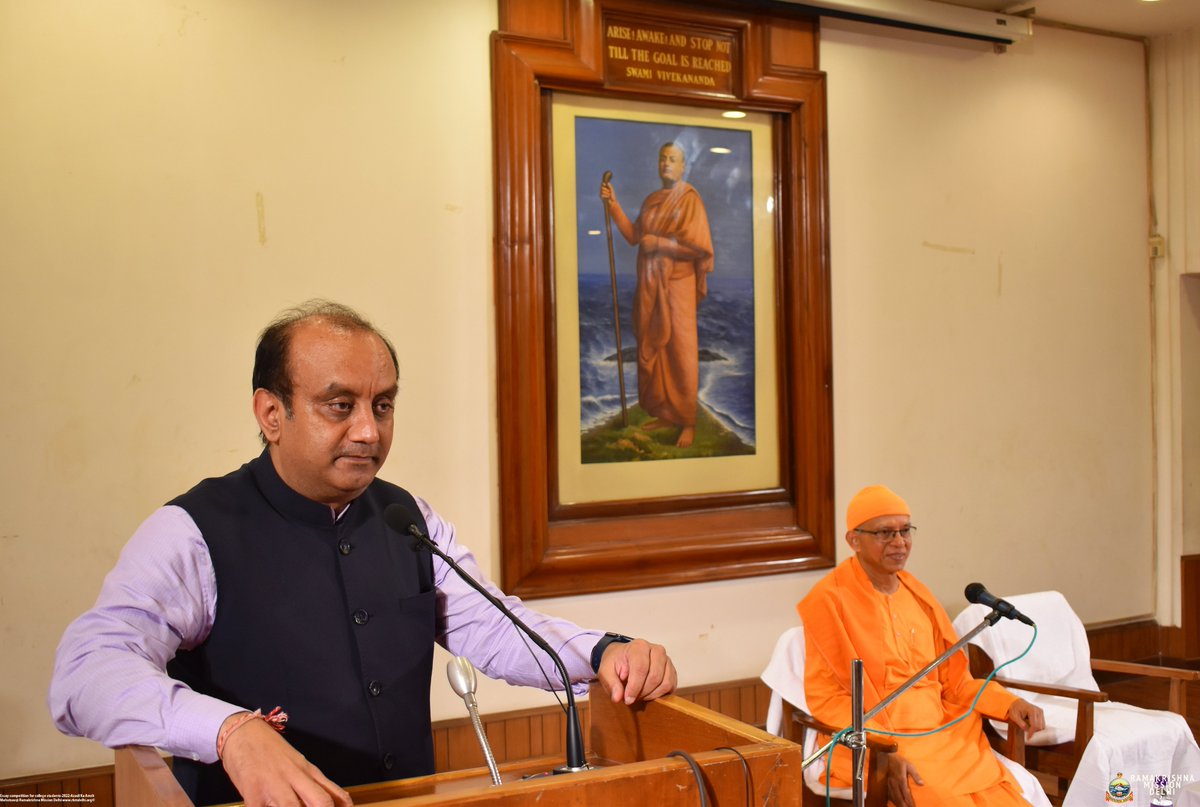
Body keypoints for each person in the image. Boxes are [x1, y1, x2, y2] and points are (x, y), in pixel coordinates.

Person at [49, 300, 678, 807]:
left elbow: (492, 626)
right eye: (339, 406)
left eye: (382, 405)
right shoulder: (192, 532)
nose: (369, 431)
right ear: (271, 413)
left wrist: (604, 652)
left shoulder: (408, 518)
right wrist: (229, 731)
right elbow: (85, 675)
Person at [796, 485, 1045, 807]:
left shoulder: (920, 597)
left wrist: (1008, 703)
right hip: (877, 738)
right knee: (944, 797)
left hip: (946, 732)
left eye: (905, 530)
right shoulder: (828, 601)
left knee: (1002, 797)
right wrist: (881, 750)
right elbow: (828, 698)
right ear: (854, 540)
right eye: (885, 533)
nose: (899, 542)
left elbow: (955, 684)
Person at [599, 142, 714, 448]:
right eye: (662, 158)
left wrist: (661, 245)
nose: (666, 163)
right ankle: (666, 413)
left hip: (679, 285)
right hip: (651, 285)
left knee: (681, 353)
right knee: (658, 352)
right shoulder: (652, 200)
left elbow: (698, 248)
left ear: (683, 166)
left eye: (672, 159)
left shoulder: (690, 200)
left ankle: (687, 421)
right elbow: (635, 237)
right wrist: (614, 205)